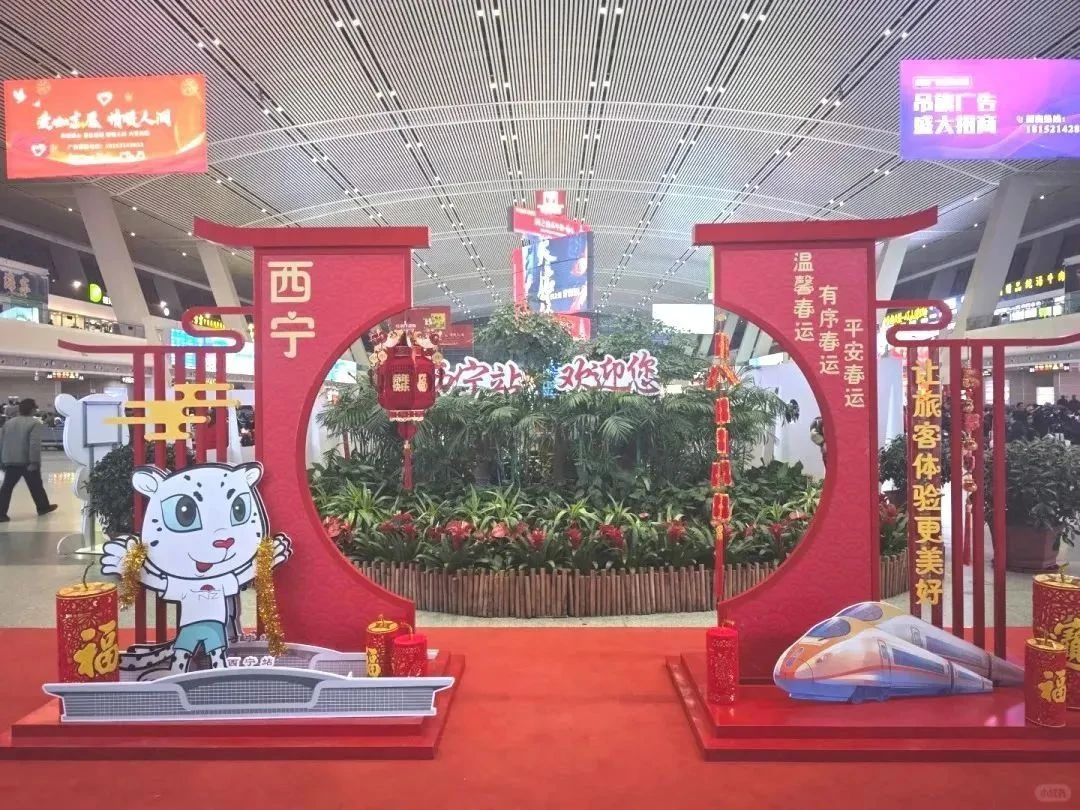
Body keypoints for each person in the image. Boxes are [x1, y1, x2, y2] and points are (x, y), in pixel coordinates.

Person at [0, 398, 57, 522]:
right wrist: (34, 462)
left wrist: (2, 462)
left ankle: (1, 514)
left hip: (10, 461)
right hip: (27, 462)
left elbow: (2, 442)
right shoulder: (34, 423)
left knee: (6, 488)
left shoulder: (9, 423)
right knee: (36, 486)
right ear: (32, 410)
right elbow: (34, 444)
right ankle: (43, 508)